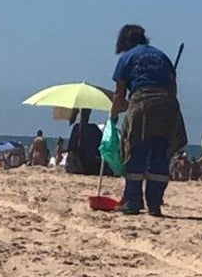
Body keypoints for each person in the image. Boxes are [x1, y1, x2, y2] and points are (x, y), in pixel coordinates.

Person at [110, 24, 187, 216]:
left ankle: (133, 201)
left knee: (136, 150)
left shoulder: (126, 58)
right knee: (160, 153)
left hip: (142, 102)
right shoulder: (162, 56)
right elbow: (173, 87)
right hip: (167, 104)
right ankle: (155, 203)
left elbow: (119, 93)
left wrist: (113, 115)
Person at [66, 109, 105, 175]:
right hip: (92, 164)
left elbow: (70, 147)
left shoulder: (77, 128)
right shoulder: (94, 128)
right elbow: (101, 147)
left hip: (81, 164)